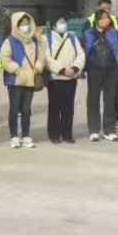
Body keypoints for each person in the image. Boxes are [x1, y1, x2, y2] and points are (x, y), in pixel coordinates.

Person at [0, 12, 45, 148]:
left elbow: (41, 57)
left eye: (28, 24)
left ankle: (26, 135)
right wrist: (16, 69)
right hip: (15, 81)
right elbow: (4, 58)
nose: (26, 26)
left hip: (30, 80)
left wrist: (38, 67)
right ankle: (14, 136)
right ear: (16, 25)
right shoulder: (10, 41)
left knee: (26, 110)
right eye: (23, 24)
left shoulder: (34, 41)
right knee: (14, 110)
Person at [84, 9, 118, 141]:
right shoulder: (88, 33)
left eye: (106, 17)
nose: (104, 20)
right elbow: (83, 50)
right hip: (94, 70)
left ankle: (109, 130)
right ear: (96, 19)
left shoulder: (114, 33)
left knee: (110, 100)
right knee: (93, 100)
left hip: (111, 70)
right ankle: (94, 130)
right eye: (101, 18)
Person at [44, 15, 84, 144]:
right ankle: (54, 134)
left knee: (68, 108)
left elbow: (81, 54)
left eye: (64, 22)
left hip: (71, 78)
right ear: (54, 25)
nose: (63, 25)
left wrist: (74, 68)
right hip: (55, 79)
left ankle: (67, 134)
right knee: (54, 108)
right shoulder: (47, 38)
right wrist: (62, 70)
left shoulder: (72, 37)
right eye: (60, 22)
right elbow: (47, 58)